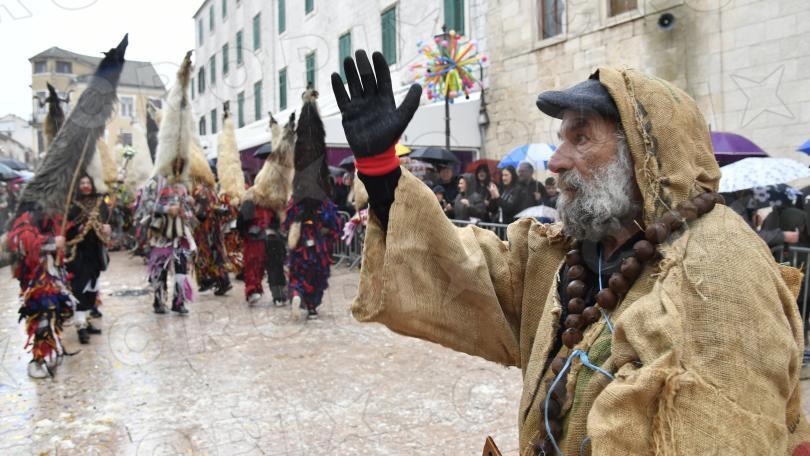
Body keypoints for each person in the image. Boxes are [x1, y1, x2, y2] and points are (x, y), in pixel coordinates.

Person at [332, 50, 810, 454]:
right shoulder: (569, 254)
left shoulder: (720, 274)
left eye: (581, 138)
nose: (557, 161)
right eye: (562, 139)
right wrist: (381, 170)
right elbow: (466, 271)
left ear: (644, 155)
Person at [138, 52, 198, 315]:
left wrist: (188, 209)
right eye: (174, 161)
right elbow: (144, 208)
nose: (177, 165)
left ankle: (179, 301)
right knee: (160, 269)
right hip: (161, 234)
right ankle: (158, 300)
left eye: (180, 162)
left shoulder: (184, 186)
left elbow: (190, 213)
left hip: (181, 235)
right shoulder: (155, 183)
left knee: (182, 269)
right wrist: (165, 210)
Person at [284, 88, 341, 319]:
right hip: (316, 231)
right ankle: (312, 305)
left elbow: (288, 221)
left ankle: (298, 294)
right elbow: (333, 224)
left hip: (301, 228)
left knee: (299, 268)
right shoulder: (322, 194)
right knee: (317, 269)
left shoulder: (297, 194)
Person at [239, 112, 295, 307]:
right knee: (254, 262)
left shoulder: (276, 195)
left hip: (272, 233)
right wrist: (247, 230)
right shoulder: (255, 192)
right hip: (256, 233)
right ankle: (254, 290)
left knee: (276, 263)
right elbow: (244, 217)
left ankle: (279, 294)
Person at [64, 175, 111, 344]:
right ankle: (80, 326)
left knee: (92, 287)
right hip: (79, 253)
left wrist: (107, 228)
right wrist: (78, 229)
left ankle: (87, 320)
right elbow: (66, 229)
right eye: (82, 183)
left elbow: (106, 221)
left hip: (95, 252)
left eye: (88, 182)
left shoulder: (100, 203)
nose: (85, 186)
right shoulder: (72, 205)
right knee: (79, 289)